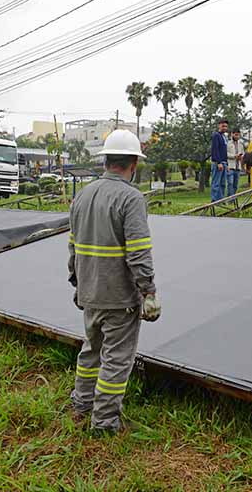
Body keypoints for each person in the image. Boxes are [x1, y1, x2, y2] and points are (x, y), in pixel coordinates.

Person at [68, 129, 161, 435]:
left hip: (89, 291)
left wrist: (77, 281)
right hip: (118, 297)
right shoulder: (130, 198)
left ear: (106, 160)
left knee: (91, 351)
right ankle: (105, 424)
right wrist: (148, 290)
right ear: (134, 163)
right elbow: (137, 251)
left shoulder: (82, 195)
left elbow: (73, 245)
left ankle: (81, 407)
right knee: (116, 360)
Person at [210, 119, 229, 202]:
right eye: (223, 126)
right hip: (218, 163)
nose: (224, 127)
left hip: (224, 162)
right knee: (216, 183)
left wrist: (226, 164)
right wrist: (219, 162)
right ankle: (214, 200)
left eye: (226, 126)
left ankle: (221, 200)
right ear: (219, 125)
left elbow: (224, 152)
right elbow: (215, 150)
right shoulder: (216, 135)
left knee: (222, 183)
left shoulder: (224, 136)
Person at [226, 128, 245, 197]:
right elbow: (225, 154)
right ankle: (230, 198)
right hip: (230, 166)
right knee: (230, 183)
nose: (237, 136)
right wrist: (234, 156)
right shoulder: (228, 143)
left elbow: (243, 153)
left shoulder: (241, 144)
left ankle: (233, 198)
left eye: (238, 135)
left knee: (235, 185)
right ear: (232, 134)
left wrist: (241, 157)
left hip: (238, 167)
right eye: (235, 135)